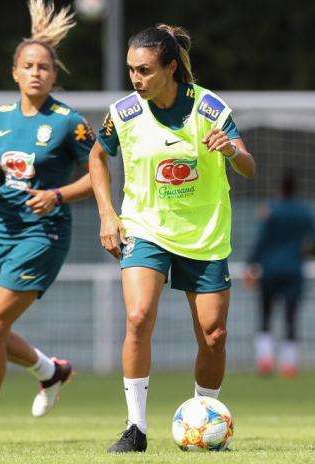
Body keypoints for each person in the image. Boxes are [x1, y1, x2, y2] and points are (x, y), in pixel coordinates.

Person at [88, 24, 256, 453]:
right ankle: (135, 428)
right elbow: (96, 156)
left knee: (214, 334)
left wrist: (232, 150)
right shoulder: (123, 112)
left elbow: (249, 166)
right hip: (145, 227)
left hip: (204, 234)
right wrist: (108, 214)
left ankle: (206, 417)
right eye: (130, 70)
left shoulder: (210, 107)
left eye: (143, 70)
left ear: (170, 67)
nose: (135, 79)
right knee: (139, 316)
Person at [0, 0, 96, 448]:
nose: (36, 72)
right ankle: (52, 372)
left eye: (44, 67)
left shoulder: (69, 122)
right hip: (1, 231)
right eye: (28, 66)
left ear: (54, 75)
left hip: (43, 234)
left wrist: (57, 194)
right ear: (14, 72)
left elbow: (100, 175)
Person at [244, 170, 315, 378]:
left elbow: (260, 241)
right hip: (293, 271)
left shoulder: (270, 209)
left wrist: (251, 265)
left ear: (280, 188)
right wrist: (306, 251)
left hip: (269, 270)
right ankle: (289, 364)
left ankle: (265, 359)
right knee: (291, 317)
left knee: (265, 315)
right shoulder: (305, 212)